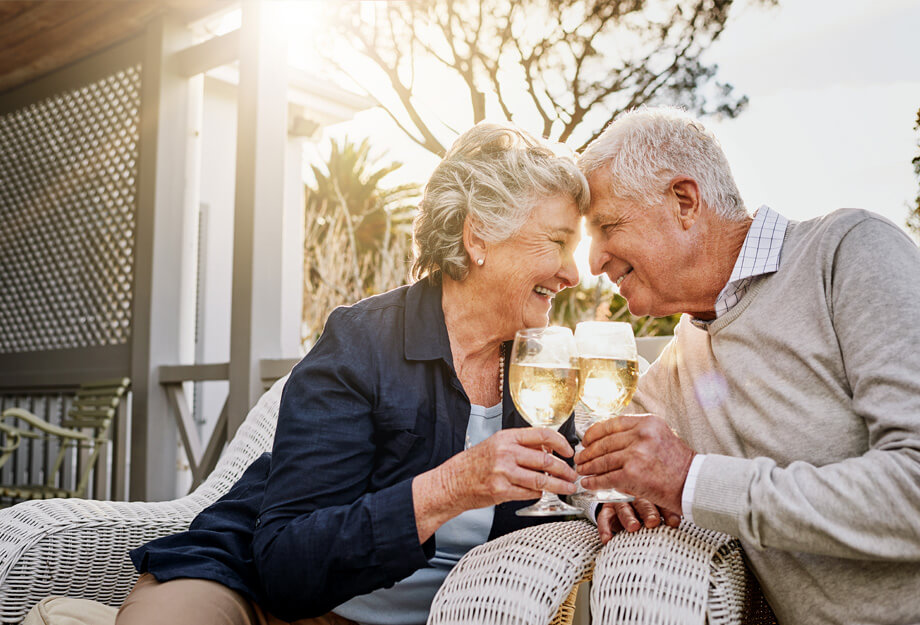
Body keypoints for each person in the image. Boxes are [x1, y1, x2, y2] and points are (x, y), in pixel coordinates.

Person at [115, 122, 640, 625]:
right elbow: (286, 565)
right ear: (478, 235)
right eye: (555, 242)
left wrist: (603, 497)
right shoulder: (361, 342)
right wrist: (455, 485)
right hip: (249, 589)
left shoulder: (540, 363)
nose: (573, 274)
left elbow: (572, 471)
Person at [572, 106, 920, 624]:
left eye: (608, 226)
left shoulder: (848, 251)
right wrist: (607, 497)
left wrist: (693, 480)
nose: (593, 262)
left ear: (684, 202)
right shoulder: (683, 357)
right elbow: (589, 447)